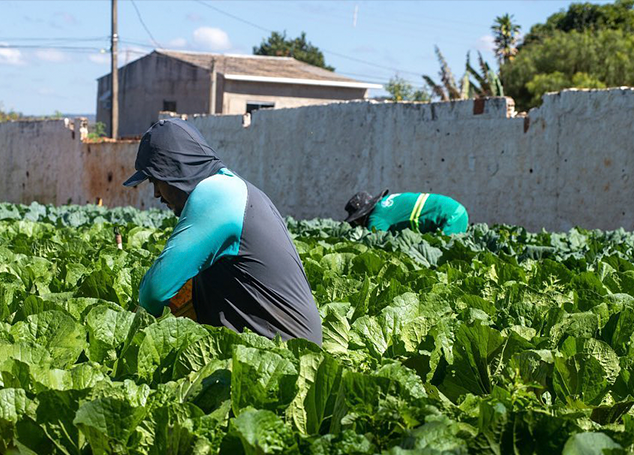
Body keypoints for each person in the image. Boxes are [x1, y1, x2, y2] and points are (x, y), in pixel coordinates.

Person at [123, 118, 322, 346]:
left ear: (176, 172)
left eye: (156, 181)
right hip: (295, 345)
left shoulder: (215, 196)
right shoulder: (235, 187)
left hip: (281, 351)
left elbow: (154, 292)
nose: (156, 193)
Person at [344, 190, 469, 235]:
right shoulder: (385, 204)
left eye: (357, 221)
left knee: (446, 262)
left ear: (363, 214)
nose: (358, 225)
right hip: (454, 211)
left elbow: (373, 243)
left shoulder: (377, 217)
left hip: (450, 217)